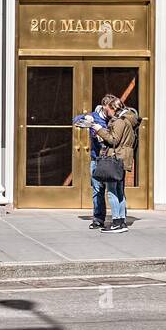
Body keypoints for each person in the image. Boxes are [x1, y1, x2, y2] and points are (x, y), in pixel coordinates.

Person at [75, 93, 123, 230]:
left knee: (116, 190)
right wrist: (86, 118)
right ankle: (98, 219)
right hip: (96, 158)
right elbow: (76, 120)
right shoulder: (95, 116)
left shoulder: (117, 118)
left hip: (113, 159)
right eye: (109, 108)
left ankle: (120, 219)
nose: (111, 112)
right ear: (104, 107)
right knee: (97, 189)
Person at [90, 104, 138, 233]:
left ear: (113, 109)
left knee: (112, 191)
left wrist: (98, 129)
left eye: (107, 109)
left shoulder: (119, 121)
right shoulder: (128, 120)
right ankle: (121, 221)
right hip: (122, 158)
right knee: (119, 191)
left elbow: (113, 140)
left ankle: (117, 222)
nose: (107, 112)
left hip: (116, 158)